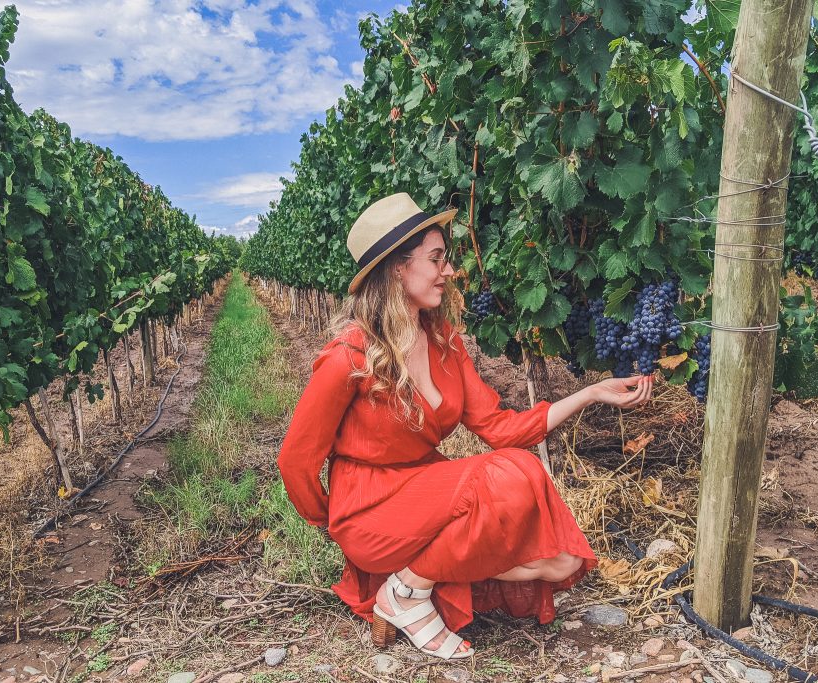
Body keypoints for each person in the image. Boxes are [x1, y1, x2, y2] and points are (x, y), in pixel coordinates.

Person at [277, 193, 654, 660]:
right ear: (398, 268)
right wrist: (333, 523)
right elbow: (295, 461)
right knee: (514, 475)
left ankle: (409, 586)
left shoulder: (443, 343)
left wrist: (591, 393)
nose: (449, 271)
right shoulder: (348, 359)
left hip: (424, 491)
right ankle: (407, 592)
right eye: (436, 259)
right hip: (367, 507)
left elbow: (501, 428)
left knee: (563, 561)